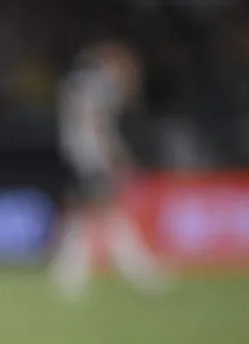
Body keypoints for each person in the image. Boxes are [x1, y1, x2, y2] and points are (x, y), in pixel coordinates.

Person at [50, 40, 170, 299]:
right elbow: (94, 120)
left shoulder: (79, 80)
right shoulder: (100, 83)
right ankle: (137, 268)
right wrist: (112, 153)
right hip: (91, 155)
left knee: (86, 213)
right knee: (106, 211)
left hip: (75, 153)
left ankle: (70, 273)